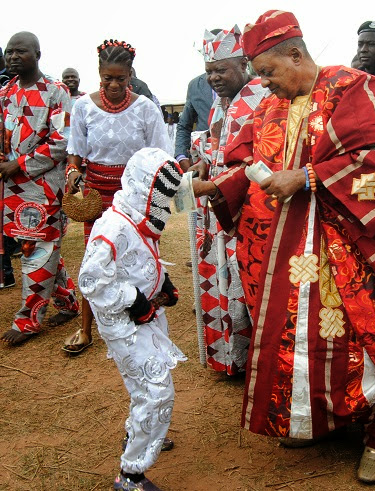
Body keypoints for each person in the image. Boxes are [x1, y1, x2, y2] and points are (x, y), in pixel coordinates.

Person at [193, 9, 375, 484]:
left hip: (351, 245)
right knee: (297, 338)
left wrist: (308, 176)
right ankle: (317, 418)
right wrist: (216, 186)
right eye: (258, 75)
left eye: (268, 72)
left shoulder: (353, 87)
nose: (264, 84)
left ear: (295, 54)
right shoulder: (270, 107)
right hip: (285, 253)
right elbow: (250, 162)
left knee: (370, 336)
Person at [79, 147, 186, 491]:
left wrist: (162, 284)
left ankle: (141, 431)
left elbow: (139, 261)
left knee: (145, 384)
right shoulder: (113, 227)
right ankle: (130, 474)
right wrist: (135, 301)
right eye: (161, 193)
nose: (164, 202)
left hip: (147, 315)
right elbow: (90, 280)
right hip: (126, 321)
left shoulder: (135, 218)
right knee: (157, 391)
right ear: (144, 188)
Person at [62, 39, 171, 354]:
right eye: (107, 78)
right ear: (98, 73)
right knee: (94, 258)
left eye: (120, 78)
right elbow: (76, 152)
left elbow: (159, 155)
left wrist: (156, 197)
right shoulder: (82, 106)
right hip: (96, 194)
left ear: (130, 74)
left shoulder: (145, 108)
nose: (113, 84)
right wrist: (72, 173)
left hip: (133, 195)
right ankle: (85, 329)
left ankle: (142, 319)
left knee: (137, 256)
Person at [190, 26, 267, 375]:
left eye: (221, 69)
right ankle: (231, 360)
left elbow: (260, 158)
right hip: (216, 210)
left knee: (247, 286)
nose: (213, 78)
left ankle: (255, 363)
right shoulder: (219, 104)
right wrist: (203, 165)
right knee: (221, 282)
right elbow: (214, 147)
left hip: (246, 210)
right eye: (209, 71)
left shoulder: (262, 97)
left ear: (243, 63)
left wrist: (218, 185)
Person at [0, 32, 79, 345]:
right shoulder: (5, 92)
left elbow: (62, 141)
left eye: (21, 51)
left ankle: (28, 320)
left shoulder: (56, 92)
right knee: (41, 248)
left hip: (43, 187)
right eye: (9, 52)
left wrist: (19, 163)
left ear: (38, 54)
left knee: (37, 249)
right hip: (12, 188)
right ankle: (69, 302)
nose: (14, 57)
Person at [175, 29, 222, 172]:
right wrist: (181, 156)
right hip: (203, 164)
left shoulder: (245, 85)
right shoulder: (195, 86)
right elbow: (184, 125)